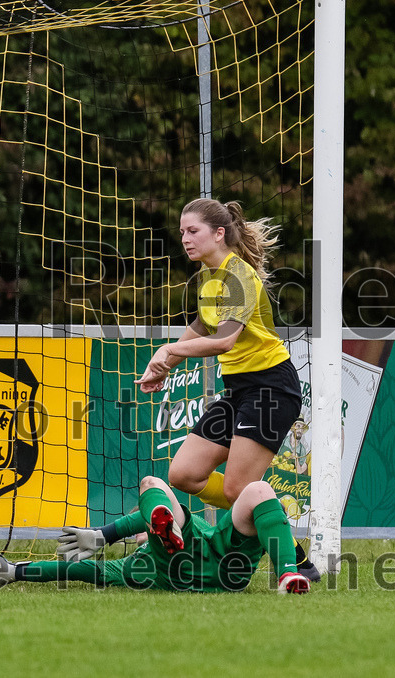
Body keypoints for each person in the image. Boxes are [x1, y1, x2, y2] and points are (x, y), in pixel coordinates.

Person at [134, 197, 317, 580]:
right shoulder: (208, 277)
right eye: (182, 231)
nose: (185, 238)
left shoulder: (239, 276)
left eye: (193, 231)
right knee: (183, 474)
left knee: (238, 489)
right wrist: (165, 364)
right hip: (238, 391)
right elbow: (202, 329)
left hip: (271, 388)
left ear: (219, 233)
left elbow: (223, 342)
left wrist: (169, 349)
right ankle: (264, 513)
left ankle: (296, 560)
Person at [0, 476, 310, 594]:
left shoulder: (132, 569)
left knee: (257, 490)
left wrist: (13, 572)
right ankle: (290, 573)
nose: (141, 531)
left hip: (200, 557)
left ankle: (287, 577)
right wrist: (13, 571)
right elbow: (74, 569)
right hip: (227, 570)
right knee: (153, 485)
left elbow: (74, 570)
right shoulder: (132, 567)